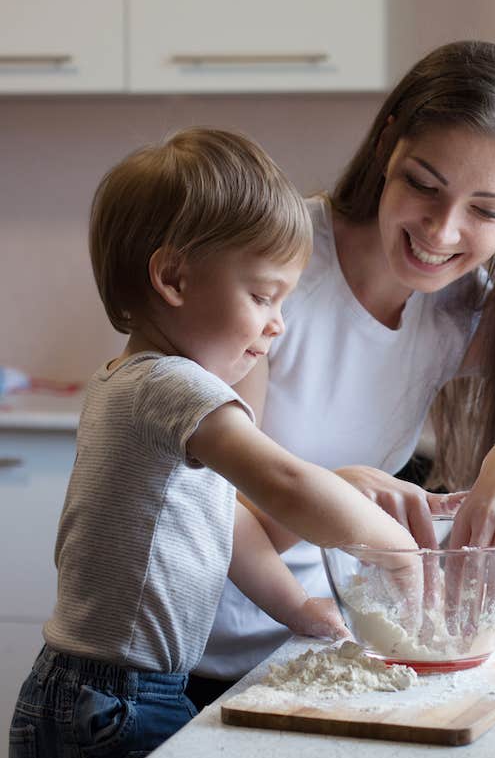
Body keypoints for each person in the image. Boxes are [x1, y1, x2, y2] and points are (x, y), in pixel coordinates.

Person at [188, 39, 495, 706]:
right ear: (386, 147)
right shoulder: (276, 270)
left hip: (309, 652)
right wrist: (342, 503)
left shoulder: (459, 311)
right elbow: (212, 507)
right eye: (424, 185)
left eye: (486, 210)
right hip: (196, 659)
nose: (442, 230)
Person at [8, 128, 419, 758]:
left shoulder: (131, 383)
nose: (277, 323)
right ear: (173, 277)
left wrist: (299, 610)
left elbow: (228, 527)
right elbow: (284, 484)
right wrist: (397, 548)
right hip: (116, 700)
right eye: (261, 295)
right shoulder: (173, 387)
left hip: (103, 692)